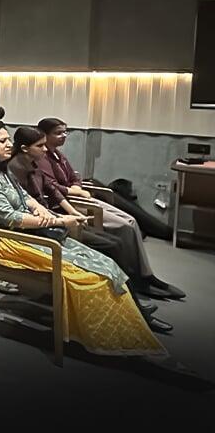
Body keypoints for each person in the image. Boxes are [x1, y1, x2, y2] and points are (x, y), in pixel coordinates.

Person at [0, 123, 165, 357]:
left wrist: (40, 208)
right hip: (4, 241)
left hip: (25, 233)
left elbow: (25, 196)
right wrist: (58, 221)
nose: (9, 144)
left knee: (105, 262)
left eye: (8, 139)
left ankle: (132, 320)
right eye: (2, 141)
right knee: (91, 275)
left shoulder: (1, 170)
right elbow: (10, 218)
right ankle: (108, 334)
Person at [8, 127, 172, 332]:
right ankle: (133, 309)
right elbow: (24, 209)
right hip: (44, 227)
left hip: (54, 218)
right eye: (40, 146)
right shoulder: (13, 170)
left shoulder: (34, 163)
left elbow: (52, 190)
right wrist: (62, 219)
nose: (45, 149)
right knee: (110, 247)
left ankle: (132, 299)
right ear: (24, 148)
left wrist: (72, 213)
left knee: (116, 241)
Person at [35, 118, 184, 300]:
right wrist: (74, 191)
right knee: (124, 226)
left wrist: (76, 187)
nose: (64, 136)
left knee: (131, 221)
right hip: (69, 201)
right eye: (58, 133)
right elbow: (52, 187)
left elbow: (74, 177)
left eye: (66, 132)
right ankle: (136, 278)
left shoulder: (58, 155)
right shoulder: (42, 159)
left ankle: (146, 275)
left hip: (77, 196)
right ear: (44, 135)